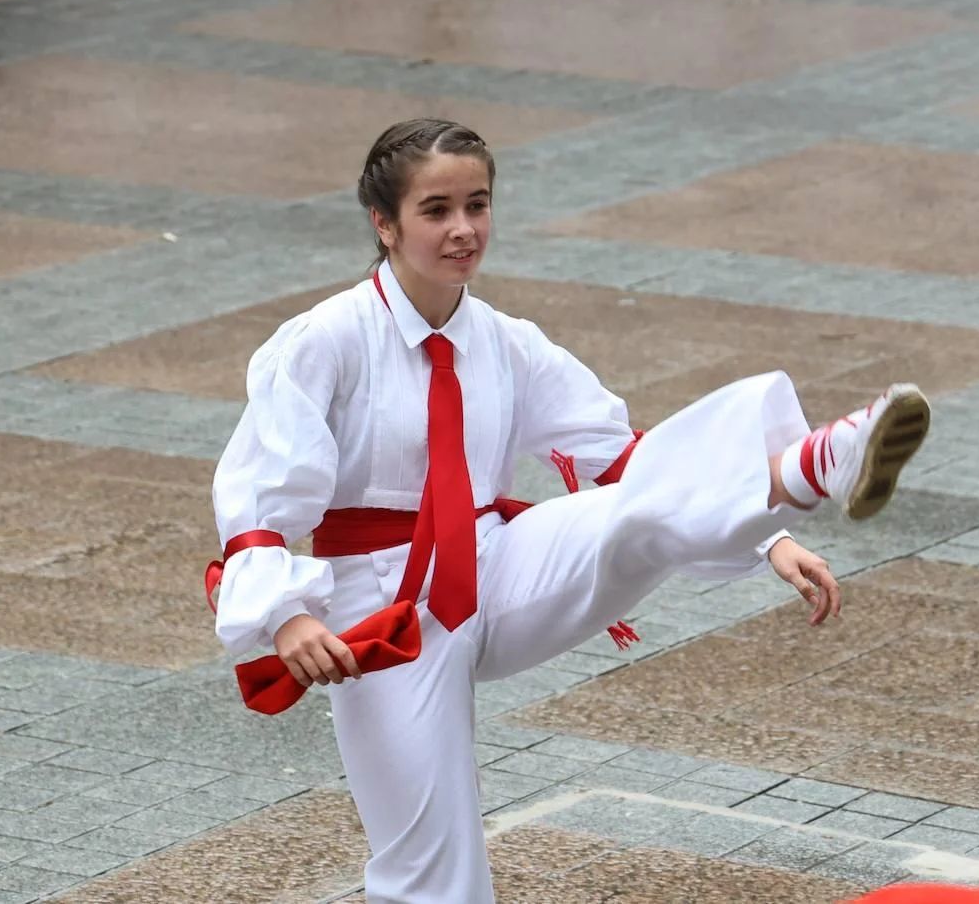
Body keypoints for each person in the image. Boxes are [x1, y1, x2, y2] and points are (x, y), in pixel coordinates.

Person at [208, 117, 931, 903]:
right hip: (380, 608)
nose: (463, 229)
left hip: (494, 564)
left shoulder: (507, 341)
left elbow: (620, 455)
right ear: (384, 224)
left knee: (631, 516)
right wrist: (285, 616)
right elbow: (260, 490)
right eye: (436, 210)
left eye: (477, 205)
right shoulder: (326, 340)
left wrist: (769, 537)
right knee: (433, 873)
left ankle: (809, 465)